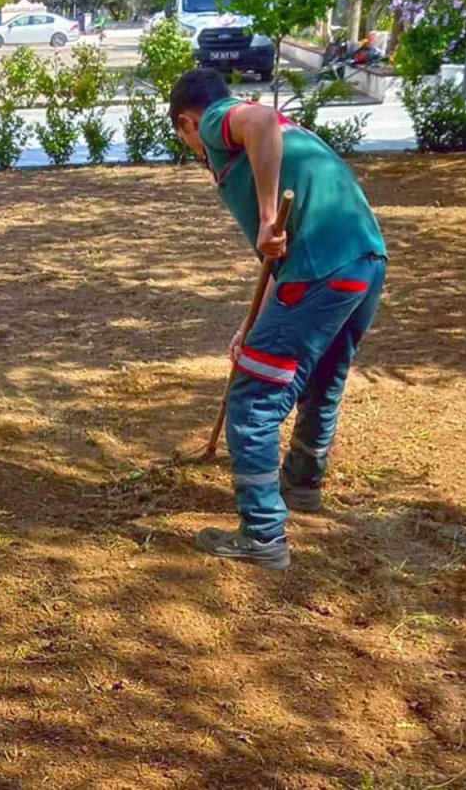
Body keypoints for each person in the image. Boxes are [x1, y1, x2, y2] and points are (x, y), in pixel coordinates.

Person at [168, 69, 387, 570]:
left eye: (185, 139)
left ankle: (263, 534)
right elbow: (278, 261)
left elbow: (260, 120)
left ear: (186, 122)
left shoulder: (219, 120)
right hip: (362, 261)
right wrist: (253, 327)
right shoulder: (294, 136)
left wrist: (267, 215)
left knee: (253, 397)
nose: (195, 152)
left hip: (321, 269)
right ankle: (302, 486)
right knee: (322, 379)